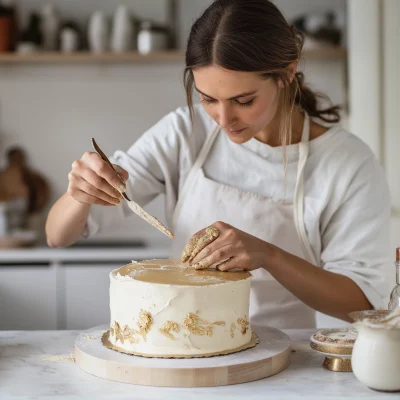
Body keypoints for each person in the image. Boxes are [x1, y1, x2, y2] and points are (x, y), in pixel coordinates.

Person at [46, 0, 391, 329]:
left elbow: (363, 304)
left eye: (244, 100)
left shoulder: (348, 164)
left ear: (288, 73)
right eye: (208, 99)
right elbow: (58, 235)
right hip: (184, 346)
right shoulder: (184, 132)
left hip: (288, 364)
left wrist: (269, 255)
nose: (224, 120)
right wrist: (80, 192)